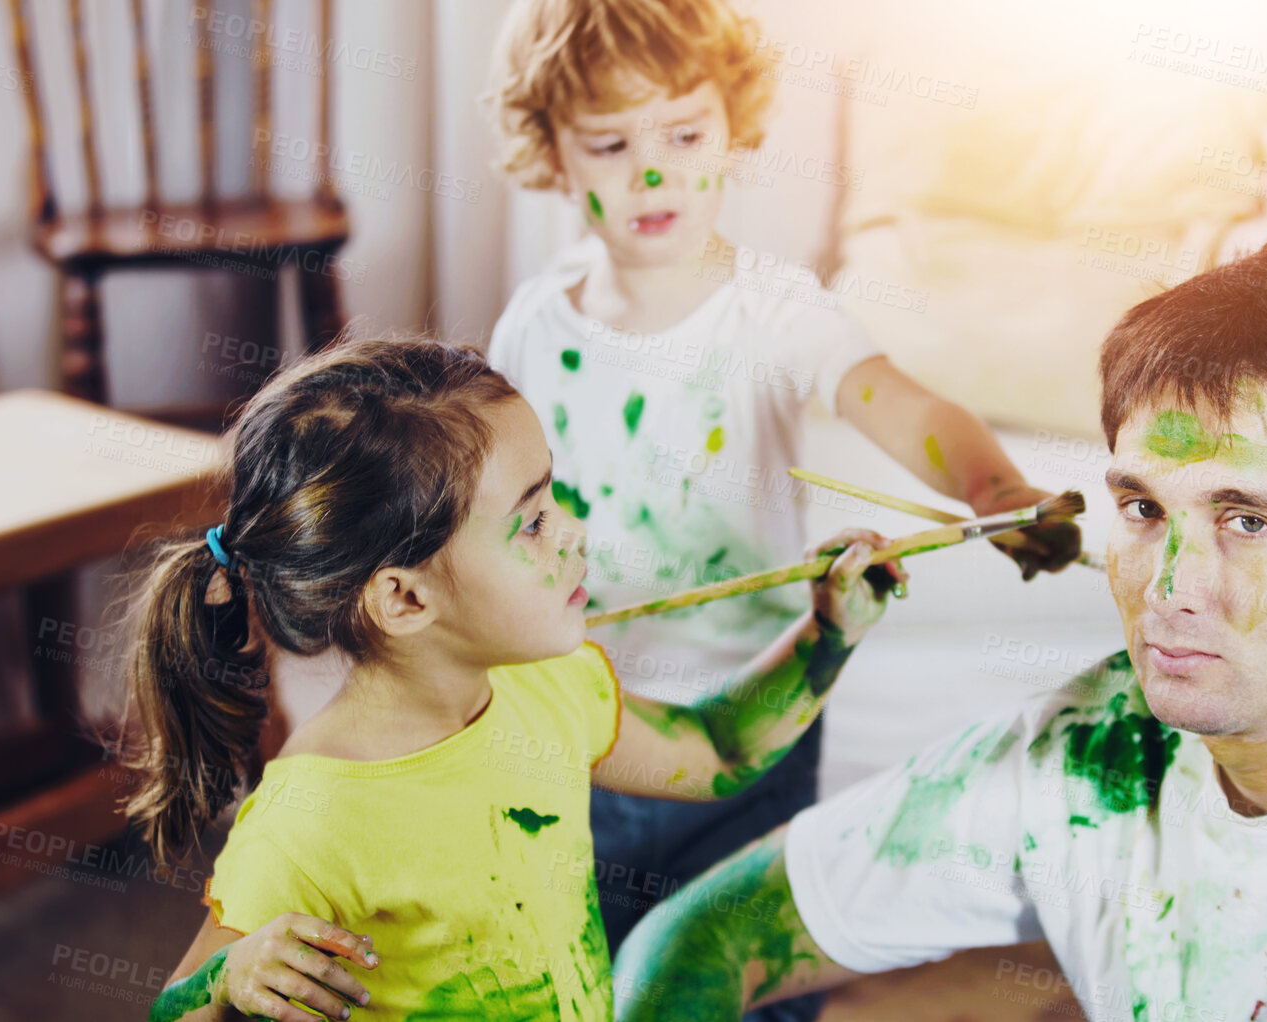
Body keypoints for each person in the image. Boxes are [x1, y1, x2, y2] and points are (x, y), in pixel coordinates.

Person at [613, 226, 1267, 1021]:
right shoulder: (1095, 748)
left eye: (1246, 519)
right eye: (1143, 508)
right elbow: (697, 935)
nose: (1170, 582)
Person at [484, 3, 1081, 1018]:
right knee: (588, 971)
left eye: (684, 134)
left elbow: (899, 403)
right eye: (612, 144)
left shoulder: (774, 310)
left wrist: (991, 487)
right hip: (594, 722)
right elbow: (490, 514)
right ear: (553, 153)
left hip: (760, 710)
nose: (655, 174)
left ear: (732, 126)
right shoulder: (532, 328)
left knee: (741, 969)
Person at [126, 338, 907, 1021]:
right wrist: (227, 982)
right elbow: (179, 1001)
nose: (574, 531)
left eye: (553, 495)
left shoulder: (547, 687)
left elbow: (720, 749)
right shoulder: (312, 818)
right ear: (403, 597)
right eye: (532, 522)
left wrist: (829, 633)